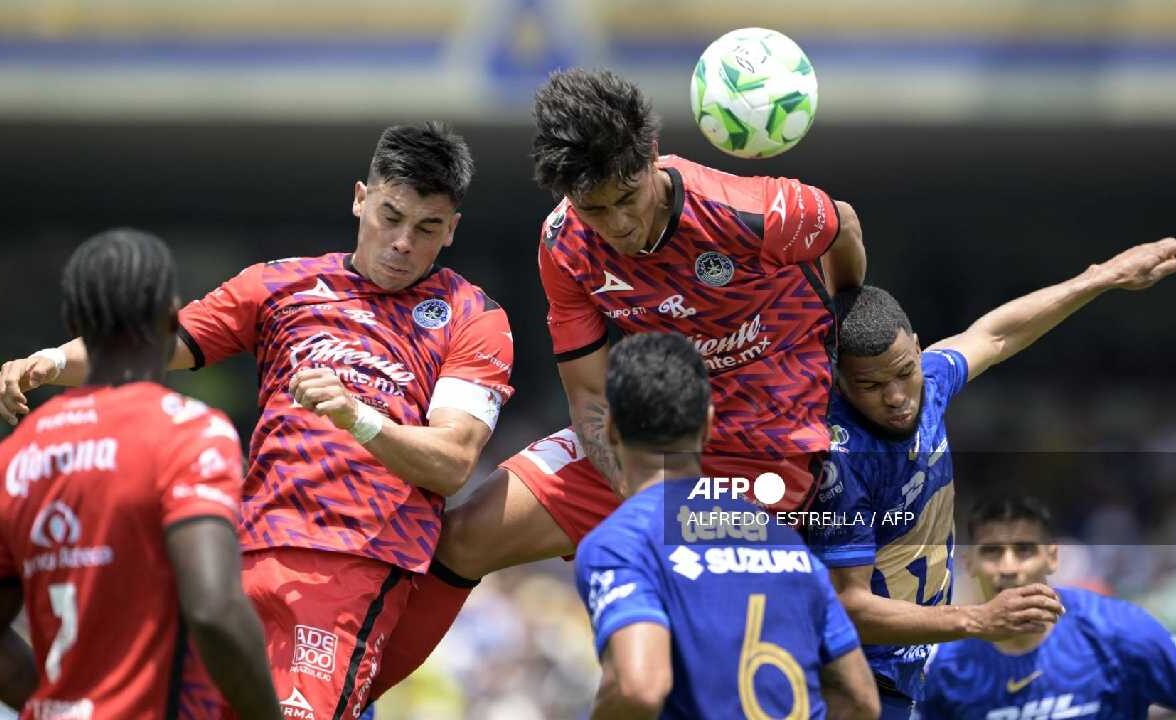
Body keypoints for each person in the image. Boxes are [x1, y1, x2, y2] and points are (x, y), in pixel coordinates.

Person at [372, 66, 868, 694]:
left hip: (766, 451)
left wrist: (851, 323)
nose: (618, 226)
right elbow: (586, 396)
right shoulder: (565, 245)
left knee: (703, 635)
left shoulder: (756, 211)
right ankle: (344, 700)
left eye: (627, 199)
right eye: (595, 208)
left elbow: (843, 225)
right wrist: (637, 509)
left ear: (652, 160)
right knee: (464, 534)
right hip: (643, 446)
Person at [0, 124, 514, 719]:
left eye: (426, 228)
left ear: (451, 229)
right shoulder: (279, 284)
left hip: (353, 559)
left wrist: (358, 418)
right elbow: (154, 342)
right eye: (390, 216)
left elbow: (452, 462)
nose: (402, 242)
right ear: (359, 199)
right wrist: (51, 362)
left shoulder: (472, 315)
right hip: (237, 550)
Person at [805, 238, 1176, 716]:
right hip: (854, 682)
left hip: (911, 671)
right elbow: (849, 606)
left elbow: (995, 334)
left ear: (918, 349)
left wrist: (1103, 276)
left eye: (904, 373)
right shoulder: (839, 460)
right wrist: (979, 618)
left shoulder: (930, 382)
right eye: (870, 385)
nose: (897, 397)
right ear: (838, 380)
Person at [0, 229, 280, 718]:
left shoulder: (17, 454)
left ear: (74, 324)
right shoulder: (189, 433)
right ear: (171, 316)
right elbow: (215, 611)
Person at [573, 331, 879, 719]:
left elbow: (638, 689)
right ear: (708, 424)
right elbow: (861, 701)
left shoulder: (621, 543)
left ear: (612, 428)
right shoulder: (784, 542)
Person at [917, 496, 1176, 718]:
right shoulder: (944, 664)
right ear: (968, 563)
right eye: (992, 552)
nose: (1008, 567)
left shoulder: (1117, 629)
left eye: (1024, 550)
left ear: (1052, 557)